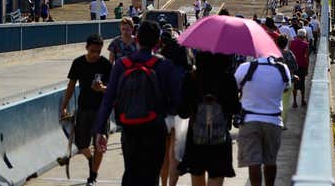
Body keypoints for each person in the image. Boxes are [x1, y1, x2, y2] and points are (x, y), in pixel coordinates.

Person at [94, 21, 184, 186]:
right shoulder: (164, 65)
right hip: (155, 128)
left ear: (137, 40)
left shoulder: (122, 64)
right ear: (157, 43)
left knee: (131, 172)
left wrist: (100, 129)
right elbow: (178, 101)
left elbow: (108, 98)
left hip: (129, 128)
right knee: (151, 176)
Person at [177, 52, 240, 185]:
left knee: (197, 175)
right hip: (220, 138)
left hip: (196, 137)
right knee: (216, 177)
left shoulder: (192, 77)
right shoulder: (228, 79)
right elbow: (235, 108)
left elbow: (182, 111)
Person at [61, 34, 113, 186]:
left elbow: (113, 89)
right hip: (83, 109)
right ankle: (91, 160)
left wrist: (102, 88)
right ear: (86, 48)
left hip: (101, 111)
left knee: (99, 145)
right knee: (81, 144)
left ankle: (93, 176)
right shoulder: (78, 63)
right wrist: (64, 105)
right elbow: (71, 85)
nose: (95, 54)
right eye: (92, 51)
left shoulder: (105, 65)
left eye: (98, 51)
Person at [234, 51, 291, 186]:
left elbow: (234, 86)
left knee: (253, 161)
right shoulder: (283, 69)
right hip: (273, 121)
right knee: (271, 161)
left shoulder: (245, 67)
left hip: (249, 120)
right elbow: (286, 88)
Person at [159, 29, 193, 186]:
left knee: (163, 155)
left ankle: (163, 183)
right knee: (175, 156)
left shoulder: (161, 66)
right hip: (182, 117)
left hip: (164, 114)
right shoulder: (189, 71)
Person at [275, 34, 298, 128]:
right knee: (285, 103)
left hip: (274, 81)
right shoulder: (289, 53)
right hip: (287, 81)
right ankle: (282, 124)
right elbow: (295, 67)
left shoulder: (273, 54)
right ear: (286, 44)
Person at [289, 29, 309, 108]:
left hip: (294, 66)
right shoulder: (306, 44)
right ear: (304, 36)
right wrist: (307, 68)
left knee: (295, 84)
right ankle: (302, 100)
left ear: (297, 35)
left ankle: (294, 101)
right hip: (302, 65)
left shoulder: (292, 43)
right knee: (302, 83)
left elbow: (290, 55)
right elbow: (307, 57)